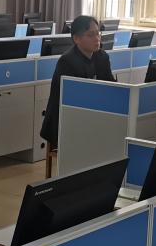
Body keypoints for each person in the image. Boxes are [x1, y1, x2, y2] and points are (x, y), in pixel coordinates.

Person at [39, 15, 116, 148]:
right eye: (91, 35)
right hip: (64, 121)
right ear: (76, 39)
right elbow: (72, 100)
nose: (97, 38)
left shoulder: (102, 57)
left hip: (91, 117)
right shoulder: (67, 62)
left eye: (98, 33)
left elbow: (110, 87)